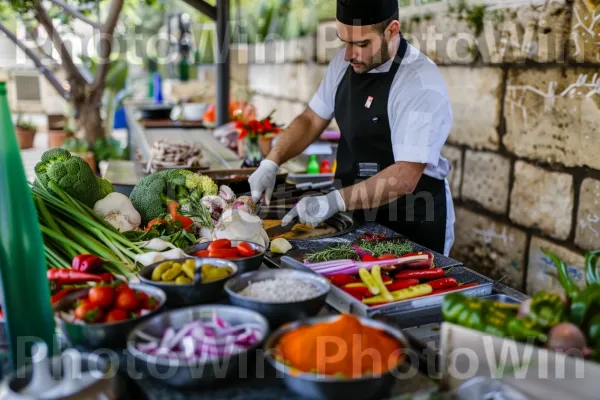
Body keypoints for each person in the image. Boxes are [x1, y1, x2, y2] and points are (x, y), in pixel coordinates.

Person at [248, 0, 455, 256]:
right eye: (343, 41)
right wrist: (271, 162)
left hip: (412, 223)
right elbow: (312, 119)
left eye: (361, 44)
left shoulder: (419, 82)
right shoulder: (343, 64)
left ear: (391, 30)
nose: (347, 55)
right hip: (355, 218)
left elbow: (405, 175)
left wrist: (335, 201)